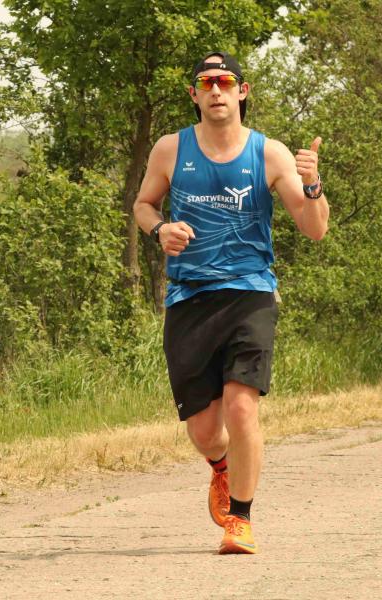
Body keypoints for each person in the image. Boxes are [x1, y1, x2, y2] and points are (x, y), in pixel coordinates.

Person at [132, 51, 329, 554]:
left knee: (242, 408)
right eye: (206, 83)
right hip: (189, 297)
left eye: (224, 82)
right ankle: (221, 468)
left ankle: (240, 519)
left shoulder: (269, 154)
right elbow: (143, 204)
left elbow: (314, 229)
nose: (216, 90)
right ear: (194, 94)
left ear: (242, 91)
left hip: (250, 293)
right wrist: (160, 230)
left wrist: (312, 185)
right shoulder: (170, 149)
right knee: (204, 431)